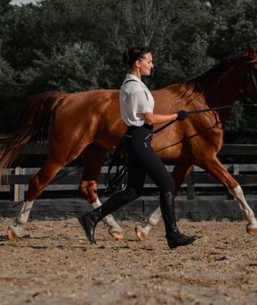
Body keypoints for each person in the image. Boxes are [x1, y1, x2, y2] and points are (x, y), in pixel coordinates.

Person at [78, 46, 197, 249]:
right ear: (137, 63)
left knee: (133, 190)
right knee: (167, 183)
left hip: (137, 138)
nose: (152, 65)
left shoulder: (133, 84)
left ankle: (92, 217)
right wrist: (177, 116)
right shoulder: (134, 87)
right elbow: (149, 118)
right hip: (139, 139)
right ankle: (173, 235)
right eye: (149, 61)